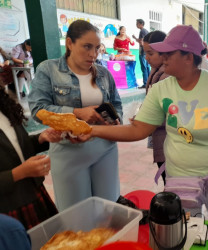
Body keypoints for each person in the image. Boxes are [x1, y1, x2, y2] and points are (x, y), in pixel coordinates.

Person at [79, 25, 208, 250]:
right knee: (186, 229)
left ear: (188, 57)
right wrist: (91, 131)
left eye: (169, 53)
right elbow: (138, 129)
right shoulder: (161, 89)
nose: (162, 57)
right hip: (181, 175)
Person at [28, 20, 123, 211]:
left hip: (104, 146)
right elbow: (38, 109)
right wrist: (77, 113)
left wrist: (115, 119)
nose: (93, 54)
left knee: (108, 208)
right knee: (76, 213)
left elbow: (116, 104)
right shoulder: (49, 70)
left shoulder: (104, 73)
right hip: (67, 149)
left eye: (97, 48)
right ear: (70, 43)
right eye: (87, 46)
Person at [0, 85, 61, 229]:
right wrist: (19, 173)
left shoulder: (4, 108)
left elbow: (14, 148)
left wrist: (41, 138)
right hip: (8, 210)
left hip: (32, 194)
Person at [143, 30, 168, 184]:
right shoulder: (155, 71)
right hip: (159, 135)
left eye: (150, 53)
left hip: (169, 141)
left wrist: (144, 120)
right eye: (145, 53)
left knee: (173, 184)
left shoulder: (168, 76)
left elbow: (171, 114)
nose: (147, 58)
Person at [132, 19, 150, 88]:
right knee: (147, 67)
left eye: (137, 23)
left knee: (144, 68)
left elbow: (141, 43)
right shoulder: (146, 31)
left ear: (141, 24)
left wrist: (138, 41)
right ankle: (149, 82)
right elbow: (141, 41)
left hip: (143, 52)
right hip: (147, 52)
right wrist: (135, 38)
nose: (136, 25)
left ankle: (145, 83)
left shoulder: (142, 31)